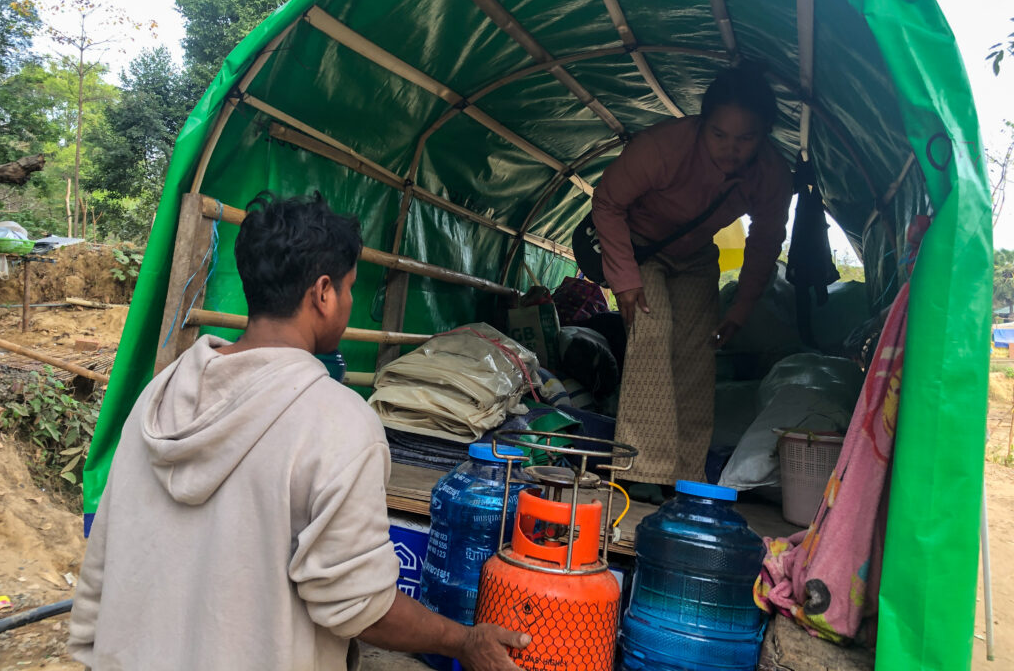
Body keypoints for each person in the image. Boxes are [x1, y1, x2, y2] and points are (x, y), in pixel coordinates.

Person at [68, 192, 530, 670]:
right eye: (350, 289)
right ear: (323, 293)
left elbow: (106, 545)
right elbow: (358, 606)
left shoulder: (160, 393)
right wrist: (464, 641)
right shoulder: (339, 422)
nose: (350, 303)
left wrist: (88, 648)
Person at [592, 62, 792, 503]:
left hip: (697, 256)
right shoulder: (662, 148)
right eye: (720, 135)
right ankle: (640, 468)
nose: (732, 150)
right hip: (640, 246)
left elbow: (764, 244)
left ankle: (683, 472)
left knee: (698, 352)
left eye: (746, 139)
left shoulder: (772, 175)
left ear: (765, 135)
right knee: (651, 331)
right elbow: (606, 203)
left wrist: (738, 311)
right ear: (702, 124)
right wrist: (624, 280)